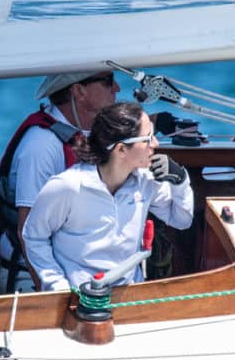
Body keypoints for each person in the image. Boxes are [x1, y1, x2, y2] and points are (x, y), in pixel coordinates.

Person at [22, 101, 194, 292]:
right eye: (148, 138)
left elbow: (181, 220)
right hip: (77, 297)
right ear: (121, 150)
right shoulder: (68, 186)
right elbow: (34, 237)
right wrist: (58, 287)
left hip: (130, 295)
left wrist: (180, 179)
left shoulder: (147, 181)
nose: (156, 144)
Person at [0, 70, 120, 293]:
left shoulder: (86, 134)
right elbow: (28, 232)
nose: (117, 88)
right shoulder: (41, 146)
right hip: (38, 279)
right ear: (79, 91)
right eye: (108, 82)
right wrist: (49, 295)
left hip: (83, 273)